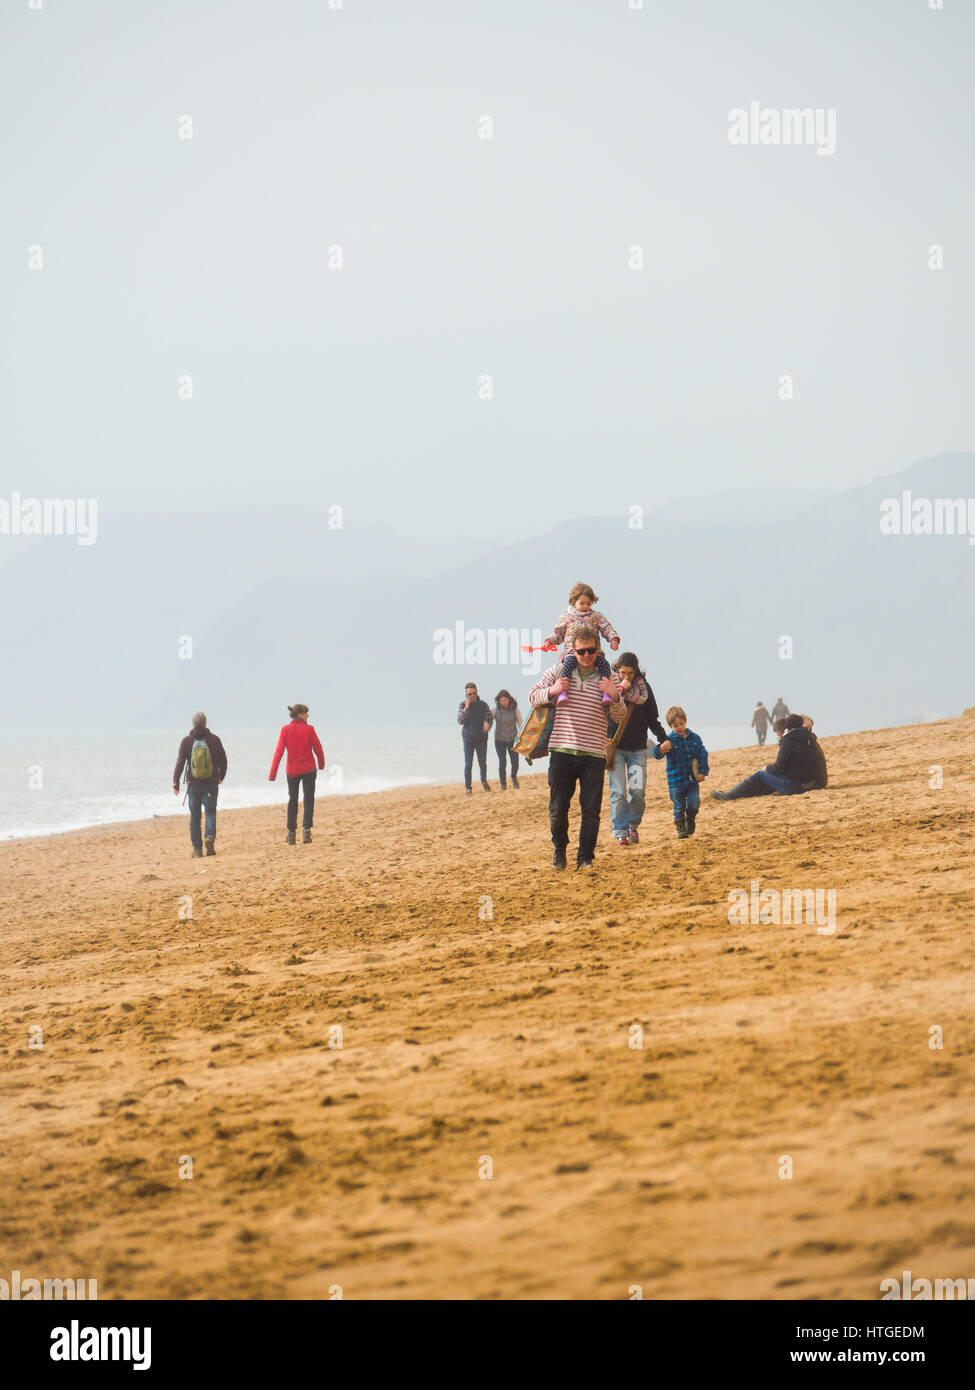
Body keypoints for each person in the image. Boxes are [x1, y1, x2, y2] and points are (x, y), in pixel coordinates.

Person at [528, 625, 626, 869]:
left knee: (591, 811)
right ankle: (560, 849)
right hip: (562, 751)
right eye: (582, 651)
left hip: (593, 753)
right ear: (573, 650)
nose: (586, 656)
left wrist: (614, 695)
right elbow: (532, 696)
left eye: (591, 651)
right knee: (558, 809)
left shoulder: (608, 677)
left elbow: (619, 716)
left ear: (598, 650)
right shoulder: (560, 670)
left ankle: (585, 858)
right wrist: (554, 690)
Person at [607, 652, 666, 846]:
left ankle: (632, 825)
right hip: (615, 749)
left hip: (638, 749)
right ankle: (620, 832)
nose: (626, 677)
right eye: (622, 673)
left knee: (638, 791)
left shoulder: (644, 690)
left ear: (636, 672)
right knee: (618, 792)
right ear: (617, 670)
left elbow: (652, 718)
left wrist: (663, 738)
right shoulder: (610, 687)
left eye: (630, 674)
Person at [711, 714, 825, 801]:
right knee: (771, 776)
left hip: (796, 786)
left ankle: (729, 795)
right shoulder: (810, 738)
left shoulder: (789, 740)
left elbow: (779, 767)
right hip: (811, 783)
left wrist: (766, 768)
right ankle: (747, 794)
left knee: (760, 774)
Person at [545, 582, 620, 706]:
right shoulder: (567, 617)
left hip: (592, 653)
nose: (586, 606)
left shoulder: (596, 616)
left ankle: (606, 694)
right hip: (573, 651)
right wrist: (549, 641)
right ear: (574, 601)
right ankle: (563, 692)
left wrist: (613, 639)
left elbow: (607, 628)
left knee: (604, 665)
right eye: (582, 603)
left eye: (588, 603)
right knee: (568, 664)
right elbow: (558, 634)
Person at [172, 711, 228, 857]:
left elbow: (180, 763)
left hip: (194, 786)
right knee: (210, 813)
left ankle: (197, 849)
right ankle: (209, 837)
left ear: (193, 724)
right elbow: (224, 760)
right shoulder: (215, 740)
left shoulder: (186, 741)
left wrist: (175, 783)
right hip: (211, 784)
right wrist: (221, 776)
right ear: (205, 723)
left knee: (195, 817)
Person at [269, 703, 326, 844]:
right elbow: (318, 748)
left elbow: (279, 752)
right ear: (300, 714)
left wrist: (273, 773)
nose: (308, 716)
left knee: (292, 800)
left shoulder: (286, 730)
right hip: (309, 769)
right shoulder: (309, 729)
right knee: (309, 799)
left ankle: (291, 833)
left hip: (292, 770)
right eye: (306, 713)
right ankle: (306, 831)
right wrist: (321, 764)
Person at [651, 705, 709, 839]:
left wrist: (703, 771)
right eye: (675, 725)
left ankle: (690, 817)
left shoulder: (695, 738)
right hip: (675, 782)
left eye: (681, 724)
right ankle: (680, 826)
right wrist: (661, 748)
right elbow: (656, 754)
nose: (679, 727)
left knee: (694, 803)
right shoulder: (669, 741)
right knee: (678, 806)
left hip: (692, 781)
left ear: (685, 721)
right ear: (670, 726)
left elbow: (702, 755)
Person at [458, 682, 493, 793]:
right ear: (466, 695)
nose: (472, 696)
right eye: (469, 694)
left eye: (473, 693)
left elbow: (490, 718)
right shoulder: (463, 705)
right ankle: (468, 787)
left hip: (481, 739)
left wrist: (488, 724)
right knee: (468, 764)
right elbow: (460, 720)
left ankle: (483, 781)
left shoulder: (483, 705)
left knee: (482, 762)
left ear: (477, 692)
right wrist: (467, 708)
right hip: (468, 739)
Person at [493, 689, 522, 790]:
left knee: (515, 762)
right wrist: (485, 725)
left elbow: (520, 723)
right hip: (499, 739)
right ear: (499, 701)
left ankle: (514, 777)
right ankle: (503, 783)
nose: (503, 703)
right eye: (501, 701)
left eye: (505, 700)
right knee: (502, 761)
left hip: (512, 739)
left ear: (509, 699)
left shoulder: (514, 708)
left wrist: (521, 735)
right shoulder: (496, 709)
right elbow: (489, 718)